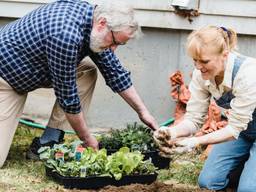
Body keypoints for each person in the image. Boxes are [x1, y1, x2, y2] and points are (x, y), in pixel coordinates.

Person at [0, 0, 159, 167]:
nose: (113, 49)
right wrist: (87, 139)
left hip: (30, 70)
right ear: (102, 24)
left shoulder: (94, 24)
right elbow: (68, 99)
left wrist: (143, 113)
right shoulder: (65, 34)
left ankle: (48, 141)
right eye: (114, 42)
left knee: (87, 71)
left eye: (119, 44)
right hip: (5, 78)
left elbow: (115, 72)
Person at [154, 25, 256, 192]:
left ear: (224, 55)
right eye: (195, 60)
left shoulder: (248, 74)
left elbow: (232, 130)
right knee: (208, 182)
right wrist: (171, 132)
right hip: (244, 132)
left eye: (204, 61)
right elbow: (194, 119)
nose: (198, 66)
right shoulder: (202, 75)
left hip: (237, 130)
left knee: (248, 190)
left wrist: (194, 142)